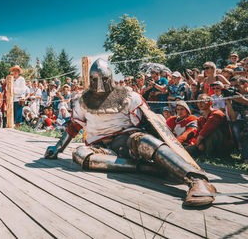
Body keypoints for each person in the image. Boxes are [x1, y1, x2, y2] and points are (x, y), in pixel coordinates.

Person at [44, 58, 217, 207]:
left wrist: (169, 150)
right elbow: (73, 127)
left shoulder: (128, 95)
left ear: (110, 77)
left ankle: (197, 180)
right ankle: (146, 169)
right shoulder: (83, 101)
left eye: (103, 79)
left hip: (128, 141)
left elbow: (151, 123)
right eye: (95, 79)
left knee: (145, 141)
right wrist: (58, 147)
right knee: (80, 154)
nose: (99, 84)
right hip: (103, 150)